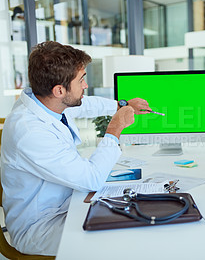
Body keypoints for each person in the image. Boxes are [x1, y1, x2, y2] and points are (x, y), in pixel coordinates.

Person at [0, 41, 151, 255]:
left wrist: (121, 105)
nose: (85, 86)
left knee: (130, 212)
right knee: (122, 238)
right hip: (40, 226)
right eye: (81, 80)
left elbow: (83, 104)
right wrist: (115, 128)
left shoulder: (46, 101)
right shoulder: (30, 132)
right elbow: (92, 179)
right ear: (59, 90)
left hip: (67, 203)